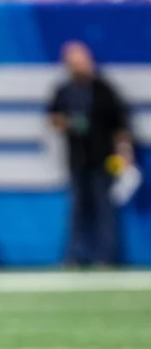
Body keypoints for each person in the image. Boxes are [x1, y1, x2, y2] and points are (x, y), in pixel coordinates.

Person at [48, 41, 133, 267]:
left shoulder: (104, 89)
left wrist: (124, 152)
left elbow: (120, 125)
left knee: (104, 209)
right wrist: (68, 123)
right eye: (73, 63)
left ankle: (106, 257)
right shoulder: (64, 90)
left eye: (81, 62)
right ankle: (75, 257)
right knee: (77, 212)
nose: (79, 67)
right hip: (77, 159)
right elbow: (53, 117)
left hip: (103, 158)